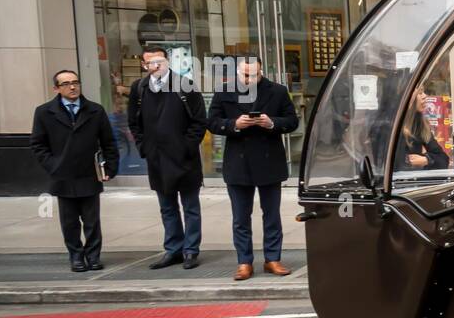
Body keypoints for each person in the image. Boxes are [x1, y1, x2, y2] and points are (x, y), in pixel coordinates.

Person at [207, 56, 299, 281]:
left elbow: (292, 121)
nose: (250, 79)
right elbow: (211, 122)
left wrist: (271, 123)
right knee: (240, 217)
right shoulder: (224, 91)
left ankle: (272, 259)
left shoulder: (277, 91)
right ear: (238, 73)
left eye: (255, 75)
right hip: (238, 162)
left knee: (272, 215)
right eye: (245, 75)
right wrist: (234, 125)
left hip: (269, 160)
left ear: (261, 72)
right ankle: (244, 262)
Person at [30, 70, 119, 272]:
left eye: (75, 82)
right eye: (66, 83)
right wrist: (53, 165)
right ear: (57, 88)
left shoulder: (95, 110)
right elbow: (38, 144)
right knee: (69, 222)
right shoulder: (44, 112)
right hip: (63, 176)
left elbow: (109, 142)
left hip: (89, 173)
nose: (72, 87)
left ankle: (93, 257)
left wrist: (110, 168)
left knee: (92, 221)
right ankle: (76, 257)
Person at [127, 46, 207, 269]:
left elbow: (199, 120)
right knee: (167, 207)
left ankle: (191, 250)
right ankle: (173, 249)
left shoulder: (185, 85)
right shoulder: (140, 88)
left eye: (159, 61)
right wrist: (144, 147)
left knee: (191, 207)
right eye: (150, 62)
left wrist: (187, 147)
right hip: (157, 159)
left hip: (184, 159)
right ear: (144, 65)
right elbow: (133, 122)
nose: (155, 65)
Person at [400, 87, 452, 171]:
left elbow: (444, 159)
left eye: (423, 92)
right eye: (420, 93)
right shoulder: (390, 127)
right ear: (406, 97)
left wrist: (427, 160)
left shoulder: (419, 124)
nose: (425, 96)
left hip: (414, 181)